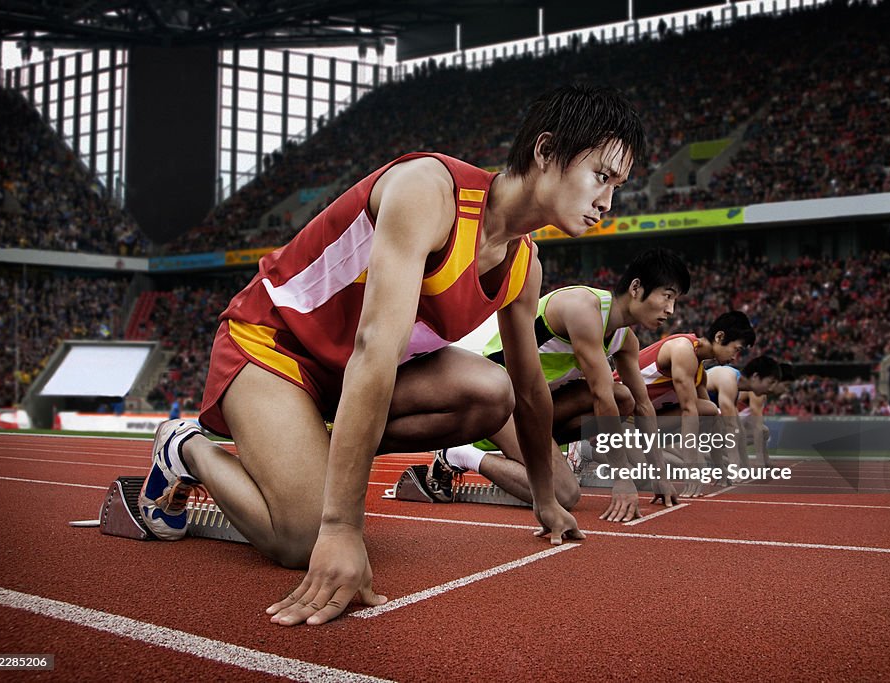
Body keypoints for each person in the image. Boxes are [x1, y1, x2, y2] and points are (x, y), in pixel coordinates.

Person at [137, 84, 645, 626]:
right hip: (274, 345)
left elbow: (529, 392)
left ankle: (308, 452)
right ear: (546, 152)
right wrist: (339, 527)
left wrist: (545, 498)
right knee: (301, 541)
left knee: (490, 392)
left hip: (342, 377)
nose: (607, 202)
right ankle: (186, 448)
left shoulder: (525, 267)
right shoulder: (428, 191)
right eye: (601, 176)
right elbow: (373, 351)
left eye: (618, 186)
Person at [427, 248, 691, 523]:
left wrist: (659, 475)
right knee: (564, 494)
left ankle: (552, 454)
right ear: (636, 287)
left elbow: (643, 406)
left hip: (533, 406)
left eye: (676, 301)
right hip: (497, 401)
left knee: (624, 397)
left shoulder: (625, 340)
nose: (671, 310)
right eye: (667, 296)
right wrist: (622, 478)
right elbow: (601, 396)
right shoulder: (582, 308)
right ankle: (460, 454)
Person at [630, 310, 757, 496]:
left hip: (642, 420)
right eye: (736, 349)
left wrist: (719, 468)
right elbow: (689, 410)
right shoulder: (683, 349)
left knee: (710, 409)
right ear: (720, 337)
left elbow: (711, 419)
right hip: (615, 416)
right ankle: (585, 451)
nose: (734, 358)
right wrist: (691, 469)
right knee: (645, 479)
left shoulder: (699, 373)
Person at [704, 355, 782, 472]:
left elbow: (738, 430)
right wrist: (735, 469)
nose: (771, 389)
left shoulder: (735, 383)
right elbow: (731, 427)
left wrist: (745, 467)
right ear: (755, 376)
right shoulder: (728, 381)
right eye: (770, 383)